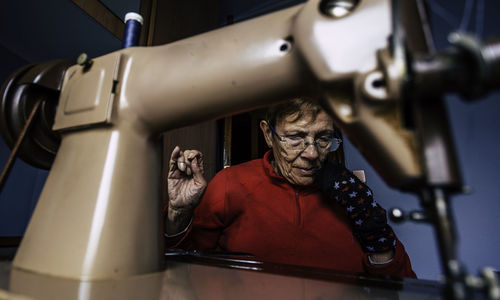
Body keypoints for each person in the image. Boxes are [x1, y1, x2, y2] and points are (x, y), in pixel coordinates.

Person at [165, 98, 416, 278]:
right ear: (268, 134)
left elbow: (401, 285)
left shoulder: (349, 192)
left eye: (323, 138)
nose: (311, 153)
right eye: (295, 137)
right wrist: (179, 212)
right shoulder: (230, 184)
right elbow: (182, 269)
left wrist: (374, 231)